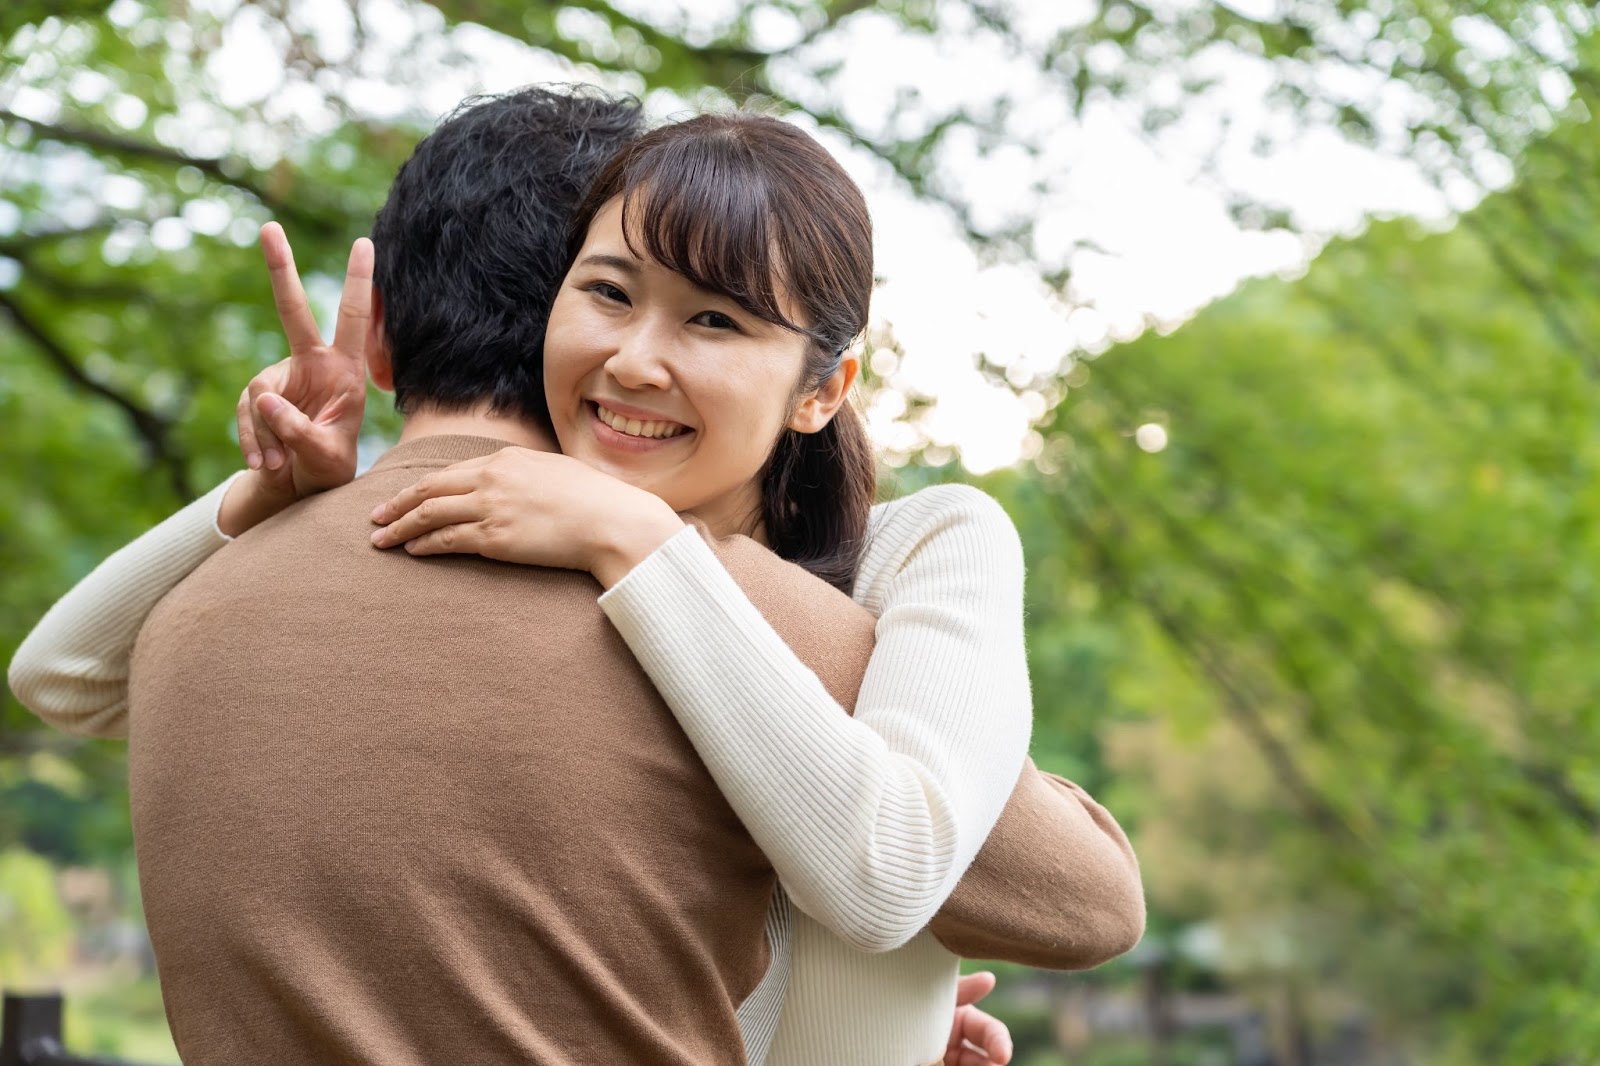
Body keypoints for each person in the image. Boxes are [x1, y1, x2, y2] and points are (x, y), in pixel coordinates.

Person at [10, 88, 1143, 1065]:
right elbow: (1088, 894)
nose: (637, 358)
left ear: (822, 385)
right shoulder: (729, 601)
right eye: (609, 291)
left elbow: (62, 674)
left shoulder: (896, 552)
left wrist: (621, 537)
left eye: (712, 316)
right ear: (554, 298)